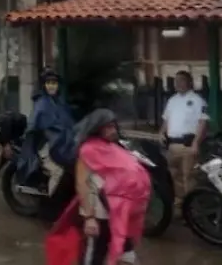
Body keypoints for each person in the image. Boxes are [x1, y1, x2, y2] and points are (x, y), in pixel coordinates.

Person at [45, 109, 149, 265]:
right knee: (92, 258)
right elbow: (82, 184)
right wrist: (89, 218)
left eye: (113, 126)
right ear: (97, 128)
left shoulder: (114, 148)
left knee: (125, 255)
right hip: (97, 216)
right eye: (107, 127)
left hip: (116, 215)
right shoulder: (87, 150)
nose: (112, 131)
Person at [159, 71, 207, 207]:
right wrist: (161, 132)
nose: (178, 83)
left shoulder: (198, 100)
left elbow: (202, 123)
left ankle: (193, 209)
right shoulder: (172, 100)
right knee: (175, 177)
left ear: (189, 82)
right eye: (176, 80)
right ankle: (179, 206)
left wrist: (196, 143)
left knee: (190, 177)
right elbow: (166, 119)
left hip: (188, 145)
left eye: (182, 80)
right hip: (173, 144)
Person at [27, 68, 76, 198]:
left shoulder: (60, 102)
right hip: (46, 146)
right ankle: (49, 203)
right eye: (48, 83)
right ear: (44, 85)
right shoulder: (41, 104)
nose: (51, 86)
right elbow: (35, 126)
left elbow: (68, 122)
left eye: (54, 83)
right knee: (57, 171)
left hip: (62, 143)